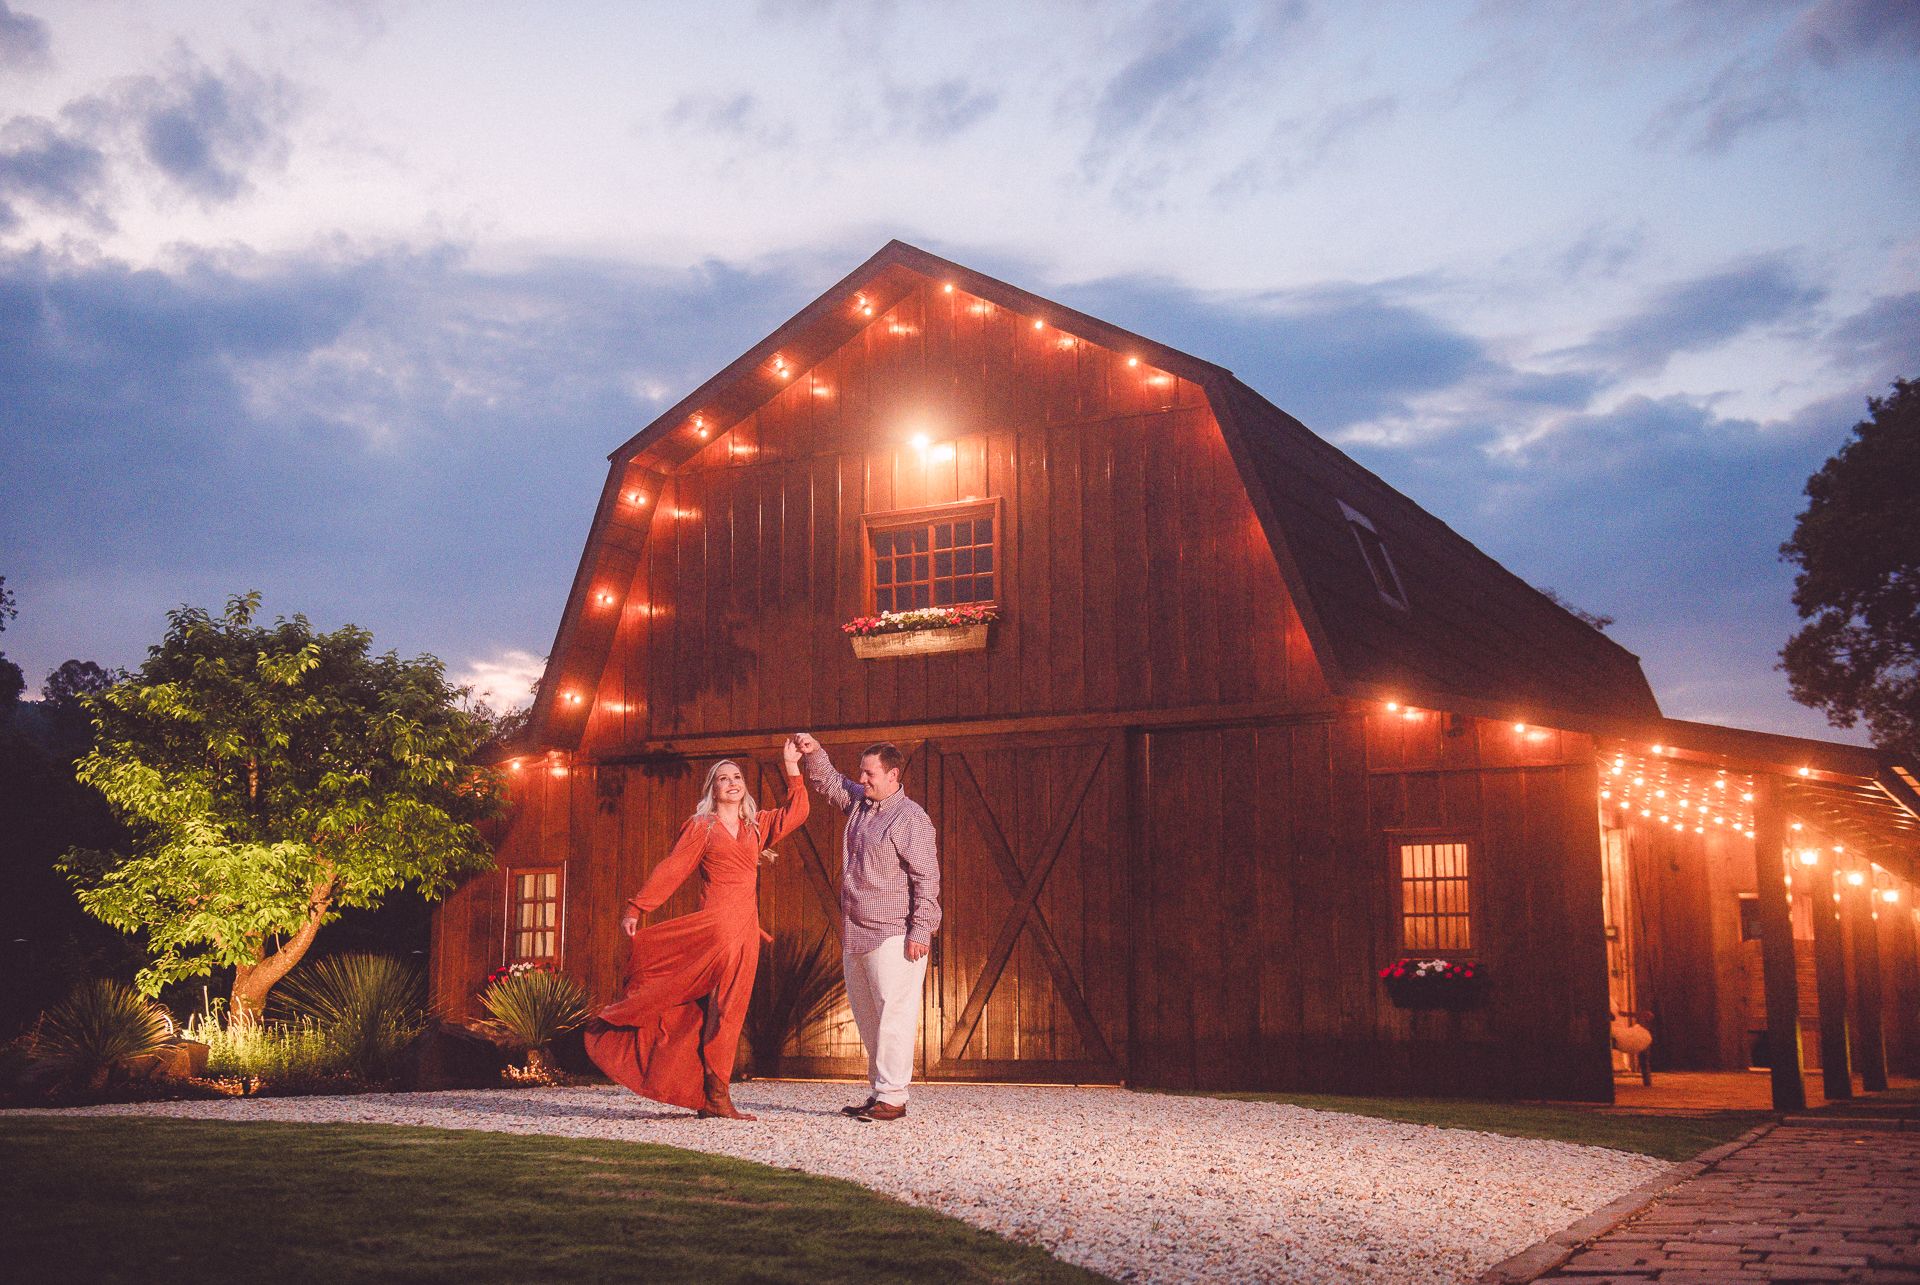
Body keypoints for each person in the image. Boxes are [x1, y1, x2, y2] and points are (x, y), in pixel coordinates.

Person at [584, 740, 809, 1120]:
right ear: (713, 789)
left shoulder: (757, 827)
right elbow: (673, 868)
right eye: (723, 779)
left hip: (745, 933)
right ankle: (621, 1029)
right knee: (688, 998)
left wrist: (791, 767)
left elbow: (798, 811)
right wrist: (638, 906)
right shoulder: (702, 827)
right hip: (714, 930)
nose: (732, 782)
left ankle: (715, 1096)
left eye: (736, 777)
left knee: (729, 1012)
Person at [792, 733, 940, 1122]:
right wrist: (814, 751)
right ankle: (879, 1092)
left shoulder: (911, 819)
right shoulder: (862, 804)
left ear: (893, 775)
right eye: (862, 771)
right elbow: (831, 782)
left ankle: (894, 1097)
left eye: (870, 772)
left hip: (894, 933)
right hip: (857, 932)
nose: (863, 778)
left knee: (894, 1015)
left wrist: (920, 930)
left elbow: (927, 879)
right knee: (870, 1017)